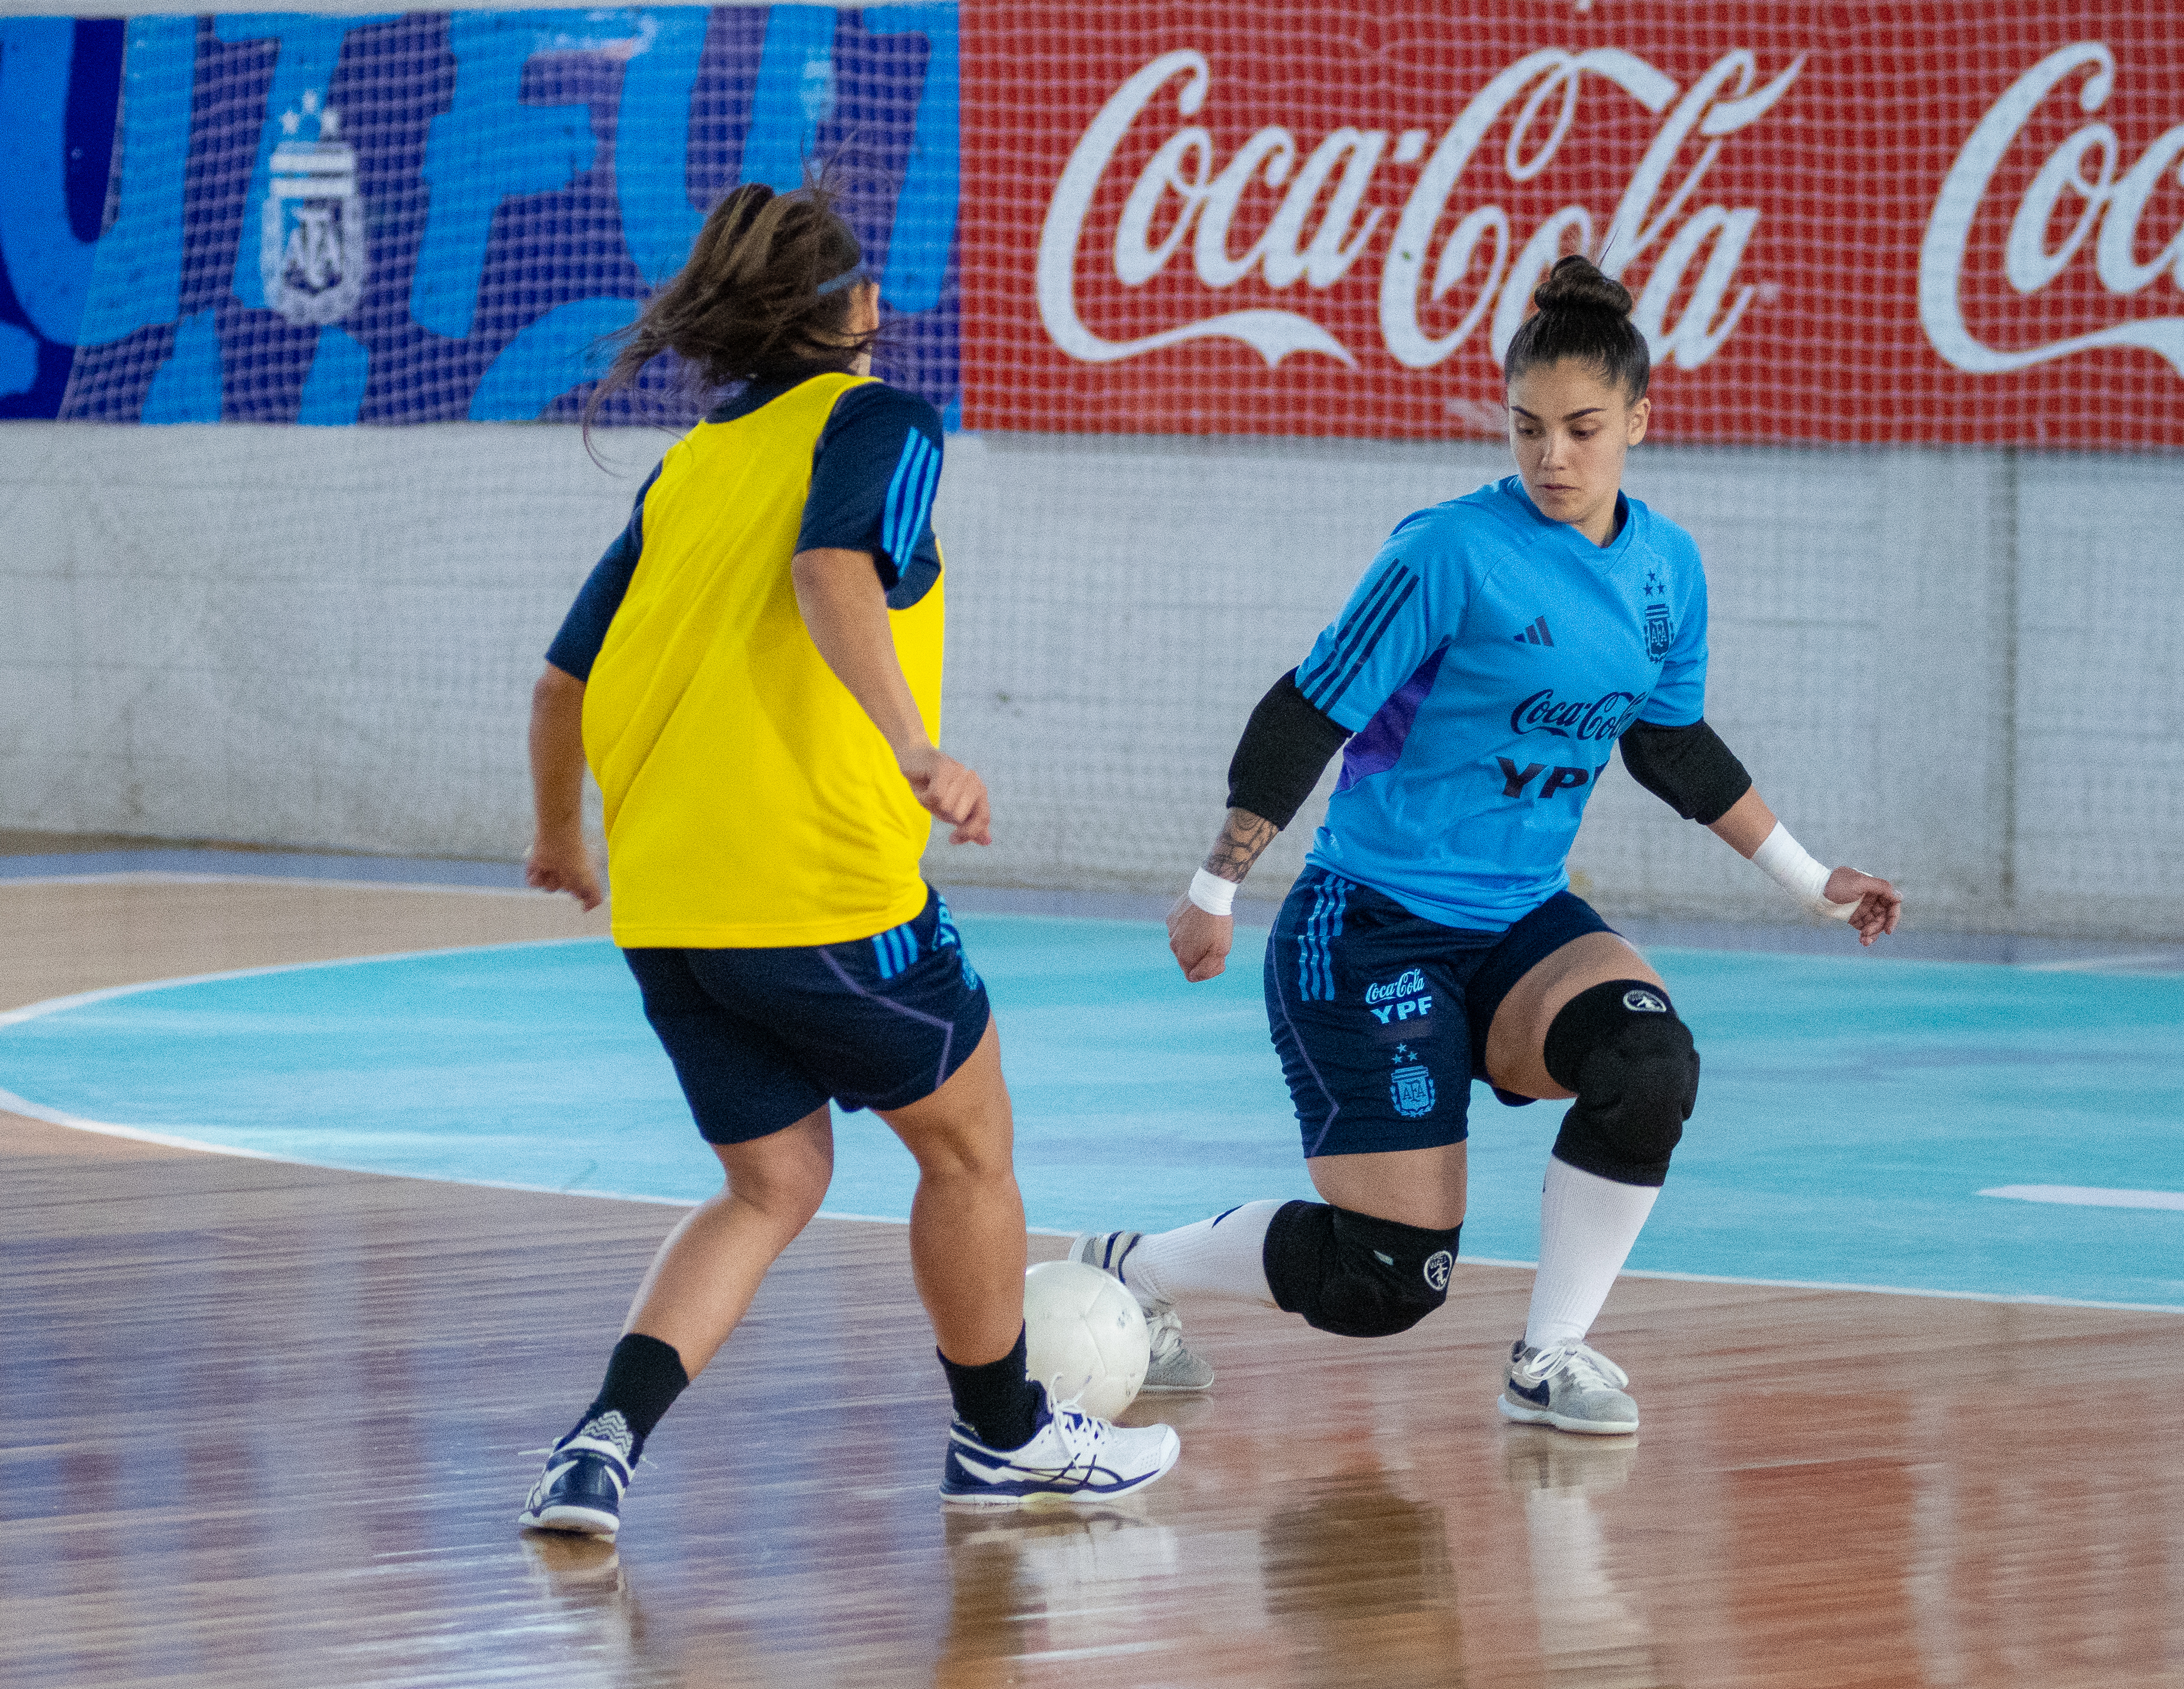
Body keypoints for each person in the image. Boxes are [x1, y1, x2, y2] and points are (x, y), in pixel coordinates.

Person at [1070, 256, 1901, 1435]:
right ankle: (1129, 1268)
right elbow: (1303, 710)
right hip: (1365, 926)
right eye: (1525, 430)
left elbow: (1666, 744)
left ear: (1637, 423)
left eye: (1580, 429)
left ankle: (1548, 1355)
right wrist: (1214, 884)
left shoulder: (1666, 572)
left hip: (1517, 918)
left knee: (1647, 1065)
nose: (1551, 457)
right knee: (1387, 1281)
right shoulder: (1447, 554)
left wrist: (1811, 877)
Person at [515, 182, 1177, 1532]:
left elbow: (557, 685)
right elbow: (833, 570)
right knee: (972, 1151)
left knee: (772, 1183)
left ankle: (596, 1449)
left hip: (668, 908)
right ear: (859, 308)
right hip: (817, 890)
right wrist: (916, 751)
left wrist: (555, 836)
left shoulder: (690, 468)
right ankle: (1002, 1440)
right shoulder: (881, 419)